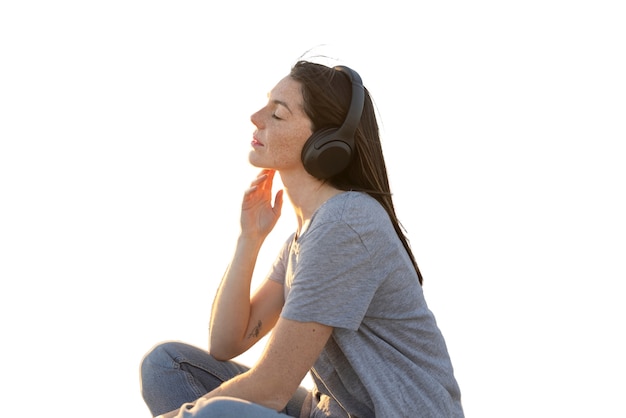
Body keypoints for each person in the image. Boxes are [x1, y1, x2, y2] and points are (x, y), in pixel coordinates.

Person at [140, 60, 464, 418]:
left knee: (214, 413)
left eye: (277, 115)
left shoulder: (347, 223)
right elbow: (226, 343)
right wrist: (250, 238)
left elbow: (271, 390)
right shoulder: (308, 235)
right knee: (168, 364)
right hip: (328, 411)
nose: (256, 117)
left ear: (326, 143)